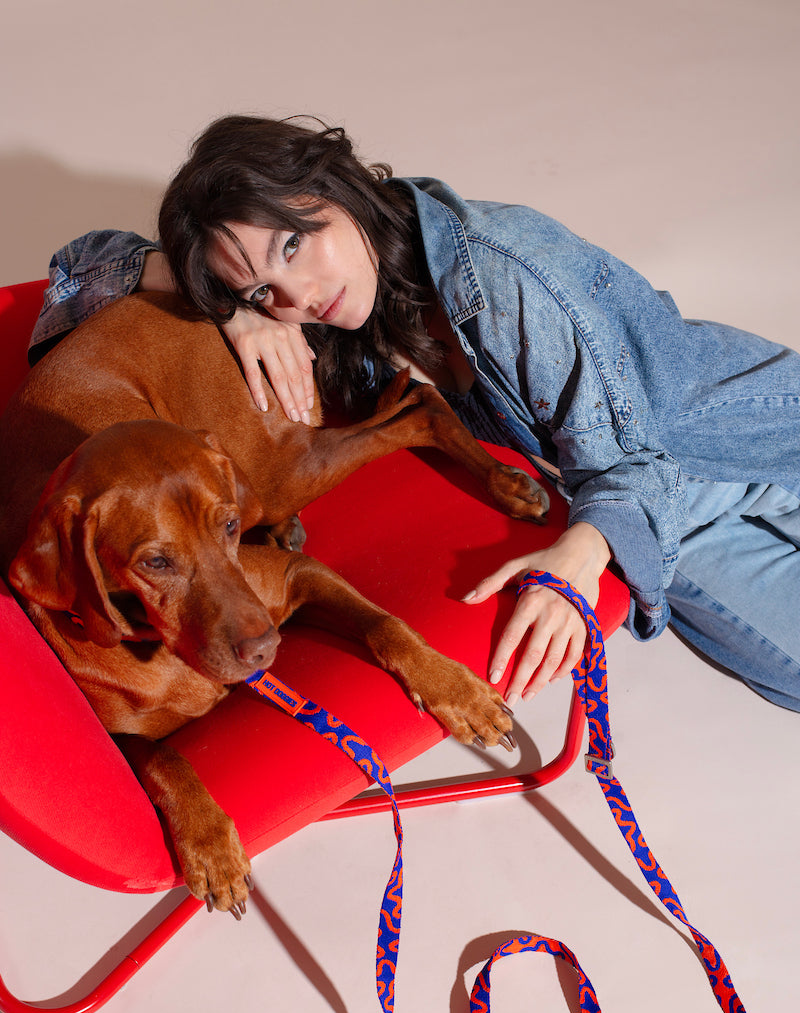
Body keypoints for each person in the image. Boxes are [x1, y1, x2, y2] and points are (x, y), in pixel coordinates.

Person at [29, 115, 800, 712]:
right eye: (264, 288)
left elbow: (640, 455)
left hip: (746, 444)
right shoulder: (346, 302)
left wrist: (576, 559)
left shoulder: (503, 274)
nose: (297, 298)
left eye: (296, 245)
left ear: (337, 184)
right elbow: (73, 271)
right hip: (668, 511)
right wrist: (231, 310)